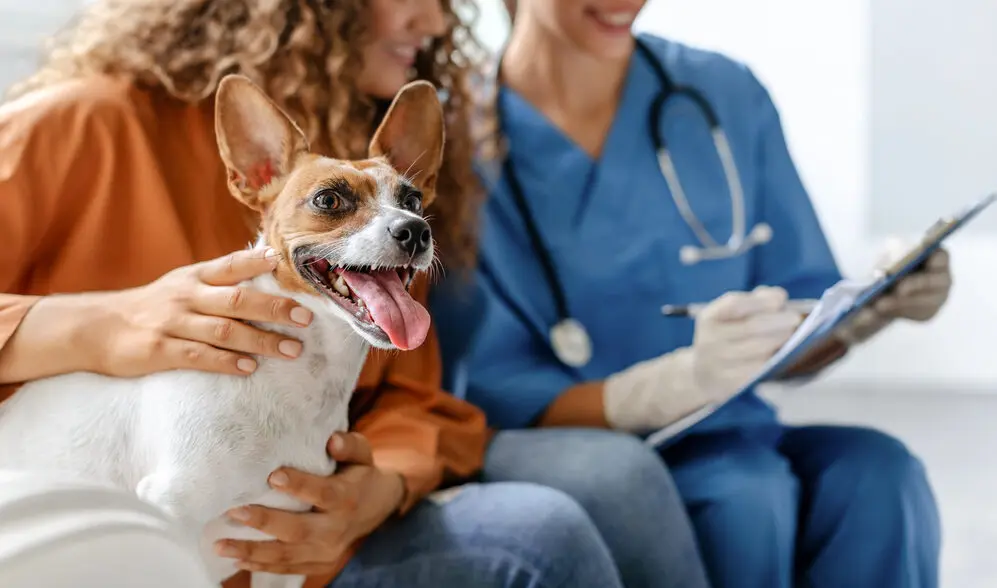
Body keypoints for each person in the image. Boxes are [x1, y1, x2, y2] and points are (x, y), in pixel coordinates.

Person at [0, 1, 628, 587]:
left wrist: (382, 486)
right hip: (78, 517)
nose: (437, 20)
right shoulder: (79, 125)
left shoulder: (376, 203)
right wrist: (99, 325)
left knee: (618, 484)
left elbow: (415, 395)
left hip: (303, 540)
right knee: (549, 533)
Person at [431, 1, 952, 587]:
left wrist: (867, 314)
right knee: (743, 496)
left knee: (882, 476)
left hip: (734, 434)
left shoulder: (725, 95)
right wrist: (671, 386)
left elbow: (800, 313)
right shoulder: (448, 140)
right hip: (586, 446)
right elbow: (490, 388)